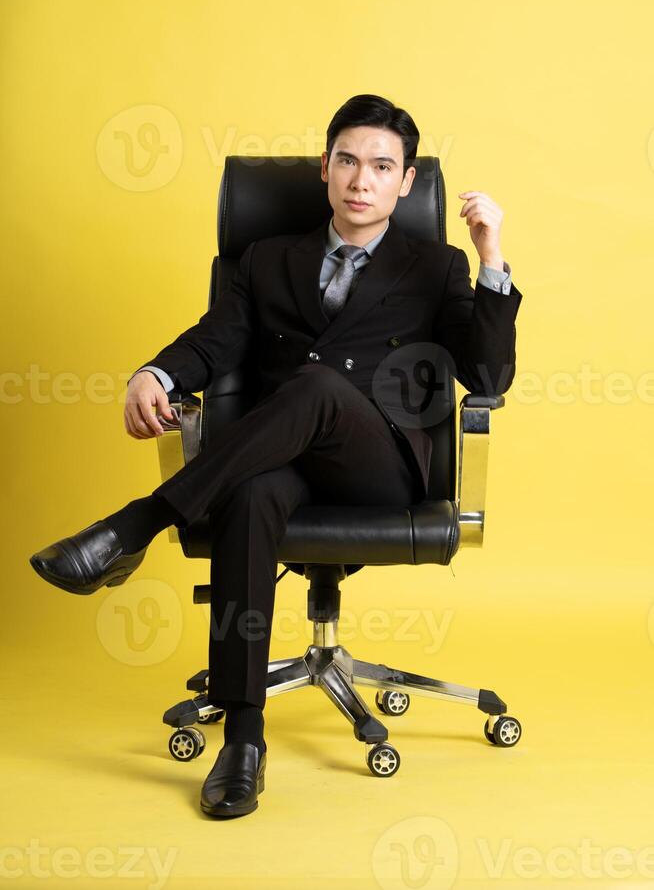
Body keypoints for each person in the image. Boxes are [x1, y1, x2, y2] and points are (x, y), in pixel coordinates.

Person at [29, 93, 523, 818]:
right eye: (348, 161)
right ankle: (244, 738)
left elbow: (489, 379)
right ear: (325, 169)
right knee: (253, 493)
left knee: (317, 385)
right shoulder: (264, 259)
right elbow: (213, 340)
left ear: (407, 183)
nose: (362, 180)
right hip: (279, 461)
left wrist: (490, 259)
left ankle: (134, 525)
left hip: (379, 469)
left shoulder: (437, 265)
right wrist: (154, 375)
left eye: (382, 167)